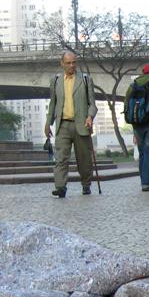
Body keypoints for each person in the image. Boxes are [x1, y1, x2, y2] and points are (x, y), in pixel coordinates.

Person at [44, 51, 97, 198]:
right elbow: (53, 103)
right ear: (62, 63)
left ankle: (86, 184)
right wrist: (48, 123)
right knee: (60, 158)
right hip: (63, 125)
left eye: (74, 62)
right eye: (68, 63)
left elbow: (92, 104)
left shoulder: (85, 80)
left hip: (82, 125)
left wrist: (90, 116)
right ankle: (60, 187)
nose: (72, 65)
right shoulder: (55, 80)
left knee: (84, 159)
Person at [126, 63, 149, 192]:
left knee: (142, 152)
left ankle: (143, 181)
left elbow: (127, 105)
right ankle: (147, 183)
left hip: (137, 124)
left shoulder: (132, 86)